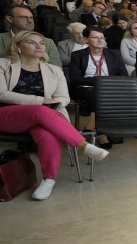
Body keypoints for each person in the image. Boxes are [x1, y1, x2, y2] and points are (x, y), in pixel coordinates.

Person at [0, 32, 109, 200]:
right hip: (8, 115)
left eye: (41, 43)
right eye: (32, 42)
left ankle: (48, 180)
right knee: (40, 110)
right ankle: (83, 145)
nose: (39, 46)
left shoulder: (54, 69)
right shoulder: (4, 65)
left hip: (41, 117)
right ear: (17, 46)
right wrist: (42, 101)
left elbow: (64, 98)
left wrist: (48, 104)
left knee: (48, 135)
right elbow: (2, 94)